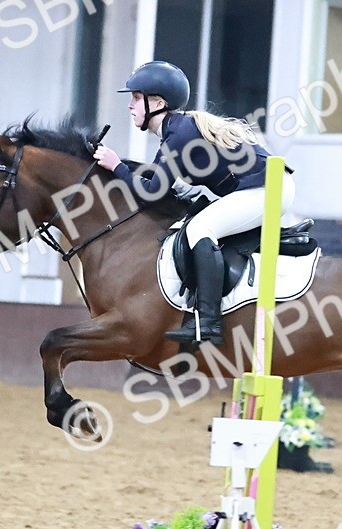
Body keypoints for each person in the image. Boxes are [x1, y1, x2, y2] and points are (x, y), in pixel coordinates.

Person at [92, 61, 296, 346]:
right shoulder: (178, 130)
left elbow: (152, 192)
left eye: (136, 98)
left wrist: (116, 167)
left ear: (158, 103)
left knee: (198, 229)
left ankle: (209, 321)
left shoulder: (179, 133)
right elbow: (165, 185)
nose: (130, 105)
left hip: (268, 188)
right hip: (263, 187)